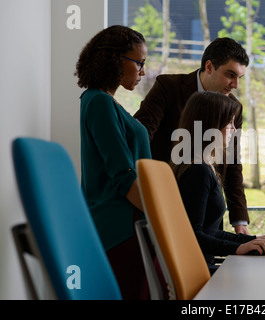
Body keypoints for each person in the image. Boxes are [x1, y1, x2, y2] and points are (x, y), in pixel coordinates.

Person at [134, 37, 251, 235]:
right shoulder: (168, 88)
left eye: (240, 77)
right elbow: (142, 135)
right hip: (163, 201)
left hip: (207, 212)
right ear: (209, 66)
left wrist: (240, 223)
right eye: (230, 75)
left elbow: (232, 164)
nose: (235, 85)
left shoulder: (234, 107)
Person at [75, 25, 151, 299]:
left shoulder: (105, 102)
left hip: (128, 224)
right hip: (121, 228)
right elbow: (124, 174)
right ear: (117, 60)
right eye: (139, 63)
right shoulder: (98, 102)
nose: (142, 71)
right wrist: (160, 218)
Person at [171, 91, 265, 273]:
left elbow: (208, 231)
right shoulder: (198, 171)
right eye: (229, 123)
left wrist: (250, 240)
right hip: (197, 272)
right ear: (211, 126)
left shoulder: (204, 166)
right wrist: (237, 248)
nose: (233, 129)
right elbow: (192, 235)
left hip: (202, 267)